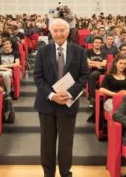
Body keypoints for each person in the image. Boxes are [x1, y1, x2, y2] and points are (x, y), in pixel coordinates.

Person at [33, 18, 89, 177]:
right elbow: (38, 77)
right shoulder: (42, 51)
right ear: (50, 32)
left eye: (62, 30)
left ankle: (66, 173)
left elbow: (84, 76)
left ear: (68, 32)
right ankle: (48, 174)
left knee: (66, 143)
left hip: (68, 103)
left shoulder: (79, 51)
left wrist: (69, 93)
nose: (58, 33)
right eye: (55, 30)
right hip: (46, 103)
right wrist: (52, 95)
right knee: (47, 144)